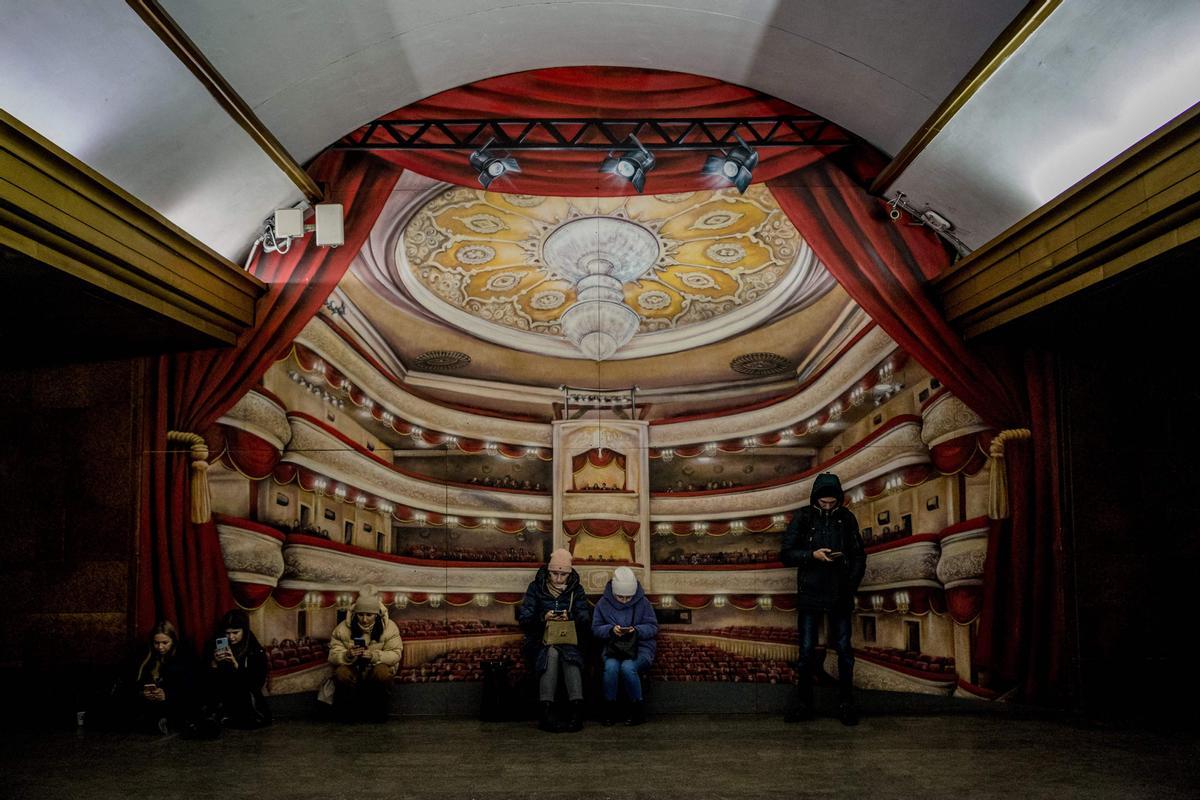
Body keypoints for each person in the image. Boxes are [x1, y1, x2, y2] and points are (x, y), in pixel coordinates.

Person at [780, 472, 866, 725]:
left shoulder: (847, 518)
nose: (828, 507)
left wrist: (850, 585)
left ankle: (846, 704)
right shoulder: (803, 518)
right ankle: (804, 705)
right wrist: (812, 555)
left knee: (844, 651)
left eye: (832, 503)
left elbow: (859, 556)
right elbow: (786, 554)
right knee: (806, 652)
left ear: (838, 500)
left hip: (840, 592)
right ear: (816, 499)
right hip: (810, 592)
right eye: (824, 503)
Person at [517, 547, 590, 732]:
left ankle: (576, 711)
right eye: (554, 573)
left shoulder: (576, 590)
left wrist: (570, 615)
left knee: (570, 656)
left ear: (569, 573)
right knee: (551, 653)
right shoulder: (536, 588)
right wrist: (544, 617)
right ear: (548, 571)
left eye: (563, 574)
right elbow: (525, 619)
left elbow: (585, 618)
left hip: (568, 638)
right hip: (540, 640)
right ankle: (546, 712)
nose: (558, 578)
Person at [591, 566, 658, 726]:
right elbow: (595, 628)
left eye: (629, 597)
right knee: (611, 667)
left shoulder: (643, 602)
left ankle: (637, 710)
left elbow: (653, 627)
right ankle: (609, 710)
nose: (625, 600)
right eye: (620, 597)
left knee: (628, 668)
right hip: (614, 646)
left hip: (640, 646)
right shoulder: (603, 603)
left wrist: (636, 630)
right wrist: (611, 630)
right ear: (613, 592)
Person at [327, 587, 403, 721]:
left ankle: (377, 713)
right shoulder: (342, 628)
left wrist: (375, 656)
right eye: (361, 614)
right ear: (355, 613)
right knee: (341, 673)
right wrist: (347, 655)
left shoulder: (390, 627)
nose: (364, 619)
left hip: (376, 668)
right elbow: (332, 655)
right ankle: (350, 713)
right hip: (353, 669)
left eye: (369, 615)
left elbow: (396, 654)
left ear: (377, 614)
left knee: (382, 673)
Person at [202, 609, 271, 729]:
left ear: (244, 631)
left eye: (235, 632)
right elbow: (205, 679)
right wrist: (214, 664)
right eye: (227, 633)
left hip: (244, 699)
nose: (231, 637)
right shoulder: (215, 644)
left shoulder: (254, 649)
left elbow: (256, 683)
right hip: (223, 697)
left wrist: (236, 665)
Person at [125, 621, 194, 734]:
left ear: (173, 641)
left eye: (165, 643)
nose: (160, 647)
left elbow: (189, 687)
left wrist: (167, 694)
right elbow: (132, 683)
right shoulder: (146, 656)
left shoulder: (183, 658)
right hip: (147, 701)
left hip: (172, 701)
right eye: (156, 643)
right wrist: (143, 693)